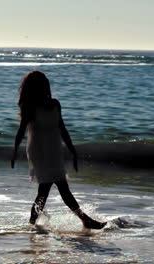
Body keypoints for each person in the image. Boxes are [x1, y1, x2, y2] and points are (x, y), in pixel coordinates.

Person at [11, 71, 106, 230]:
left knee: (45, 190)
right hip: (39, 151)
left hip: (54, 150)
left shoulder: (55, 104)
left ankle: (32, 224)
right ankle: (84, 220)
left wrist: (72, 150)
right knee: (58, 186)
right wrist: (14, 151)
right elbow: (21, 131)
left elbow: (62, 128)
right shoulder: (30, 107)